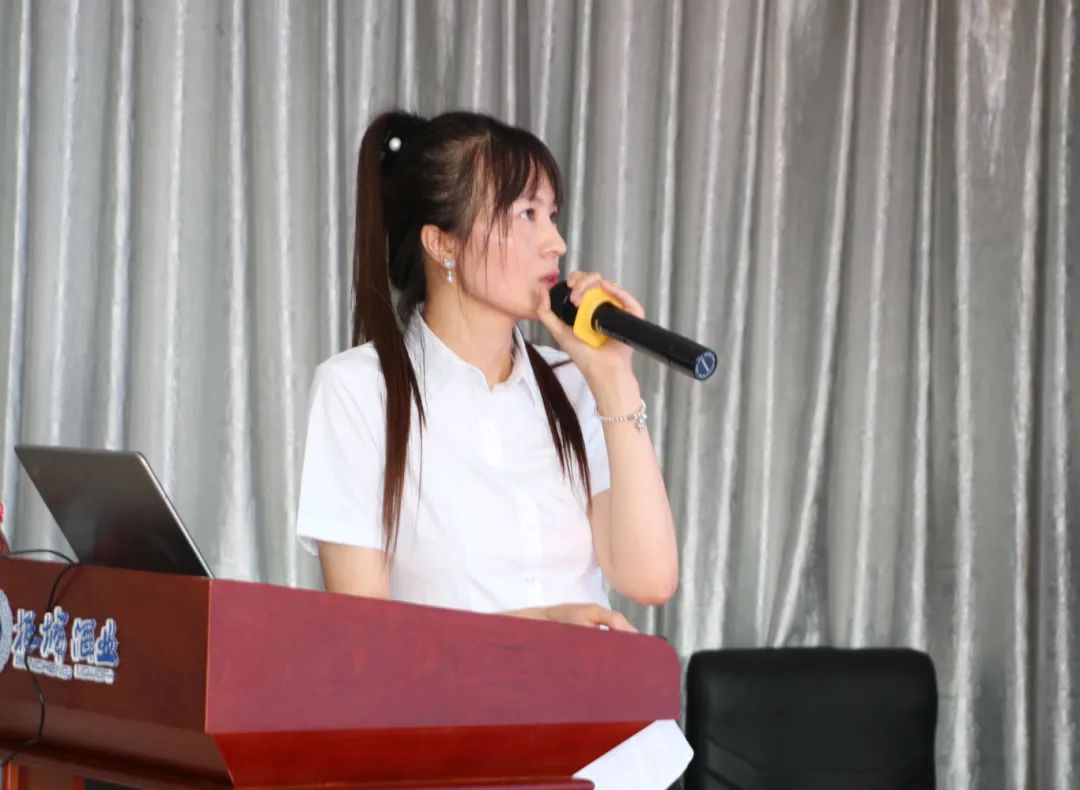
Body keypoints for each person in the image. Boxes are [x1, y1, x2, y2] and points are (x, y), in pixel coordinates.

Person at [295, 109, 691, 788]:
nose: (555, 243)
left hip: (614, 761)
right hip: (453, 761)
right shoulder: (359, 391)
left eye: (553, 215)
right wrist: (537, 631)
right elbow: (368, 647)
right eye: (526, 214)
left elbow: (649, 578)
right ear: (441, 244)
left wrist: (612, 379)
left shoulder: (572, 383)